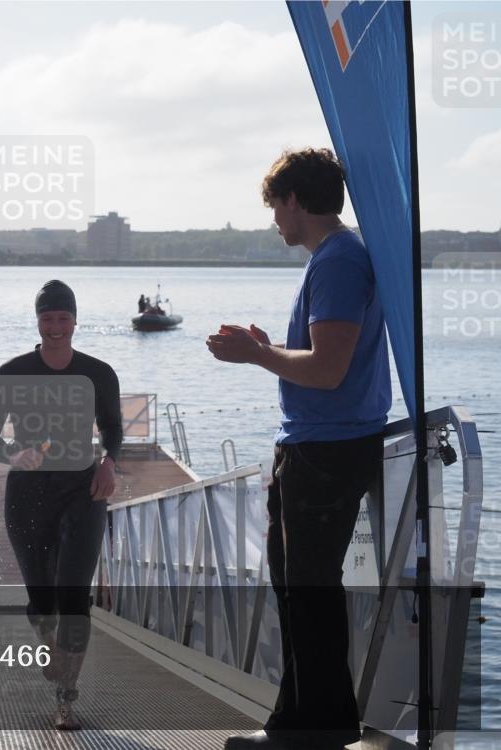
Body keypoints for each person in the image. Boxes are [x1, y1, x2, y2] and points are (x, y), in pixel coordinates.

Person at [207, 148, 390, 750]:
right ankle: (299, 724)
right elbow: (322, 359)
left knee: (308, 590)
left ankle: (316, 729)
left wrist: (256, 355)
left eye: (275, 208)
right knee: (298, 588)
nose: (274, 221)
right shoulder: (335, 259)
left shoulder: (337, 262)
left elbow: (330, 369)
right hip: (319, 446)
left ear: (294, 200)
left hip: (327, 450)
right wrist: (268, 346)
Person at [0, 279, 122, 731]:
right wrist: (12, 454)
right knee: (42, 601)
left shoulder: (98, 373)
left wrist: (109, 463)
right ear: (37, 321)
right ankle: (48, 642)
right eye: (47, 318)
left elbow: (112, 427)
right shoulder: (13, 372)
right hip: (28, 495)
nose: (56, 327)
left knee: (74, 594)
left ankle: (66, 700)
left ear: (75, 320)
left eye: (63, 318)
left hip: (83, 491)